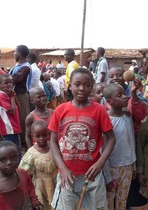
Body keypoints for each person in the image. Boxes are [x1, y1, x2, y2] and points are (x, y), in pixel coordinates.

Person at [48, 68, 116, 210]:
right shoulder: (60, 110)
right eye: (77, 84)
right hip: (67, 175)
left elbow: (111, 139)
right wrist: (63, 168)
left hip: (93, 174)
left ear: (91, 87)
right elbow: (53, 141)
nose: (81, 88)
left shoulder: (99, 110)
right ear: (70, 85)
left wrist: (100, 163)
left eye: (87, 85)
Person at [103, 83, 137, 210]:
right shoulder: (106, 119)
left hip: (127, 167)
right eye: (119, 95)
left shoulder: (127, 117)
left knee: (122, 202)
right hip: (111, 168)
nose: (125, 97)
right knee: (109, 201)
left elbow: (131, 141)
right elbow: (103, 149)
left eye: (124, 93)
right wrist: (107, 177)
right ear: (109, 101)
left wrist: (133, 166)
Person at [19, 120, 57, 210]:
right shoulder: (31, 153)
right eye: (38, 136)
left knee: (57, 203)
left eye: (44, 135)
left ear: (49, 134)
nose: (41, 138)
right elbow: (23, 172)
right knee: (43, 204)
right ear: (32, 136)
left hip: (56, 181)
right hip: (40, 185)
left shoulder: (54, 147)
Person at [0, 140, 43, 210]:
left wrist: (35, 203)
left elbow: (30, 190)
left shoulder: (23, 174)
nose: (9, 162)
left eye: (14, 158)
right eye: (3, 160)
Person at [10, 44, 32, 146]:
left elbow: (15, 79)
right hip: (15, 95)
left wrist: (5, 78)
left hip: (21, 96)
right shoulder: (17, 66)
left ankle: (23, 142)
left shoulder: (26, 67)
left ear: (20, 53)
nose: (14, 53)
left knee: (23, 118)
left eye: (15, 51)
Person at [0, 74, 21, 148]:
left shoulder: (8, 94)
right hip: (9, 129)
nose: (9, 84)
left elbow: (18, 108)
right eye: (6, 83)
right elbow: (12, 111)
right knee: (13, 148)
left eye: (10, 82)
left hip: (14, 127)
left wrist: (14, 96)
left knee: (16, 147)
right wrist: (12, 97)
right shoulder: (1, 96)